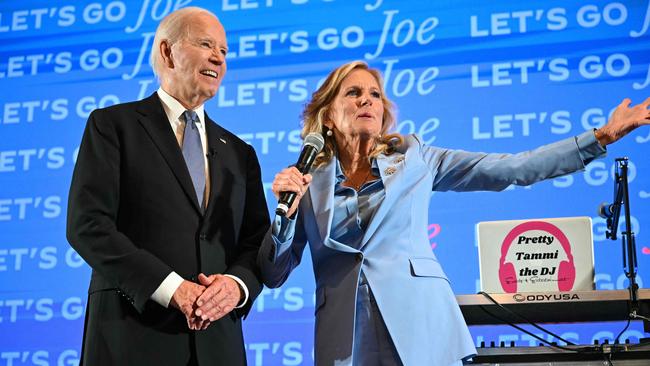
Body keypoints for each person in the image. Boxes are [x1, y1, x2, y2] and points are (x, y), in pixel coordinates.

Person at [257, 60, 650, 365]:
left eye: (374, 94)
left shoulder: (415, 158)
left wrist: (598, 138)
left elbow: (510, 168)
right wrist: (285, 217)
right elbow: (274, 274)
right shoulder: (307, 180)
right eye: (353, 92)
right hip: (345, 338)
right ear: (327, 116)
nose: (366, 100)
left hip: (421, 325)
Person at [66, 7, 269, 365]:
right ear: (167, 51)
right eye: (206, 44)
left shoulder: (240, 153)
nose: (218, 58)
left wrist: (234, 288)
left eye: (224, 51)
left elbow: (256, 242)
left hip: (217, 344)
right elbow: (88, 226)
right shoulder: (114, 126)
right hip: (130, 337)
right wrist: (173, 288)